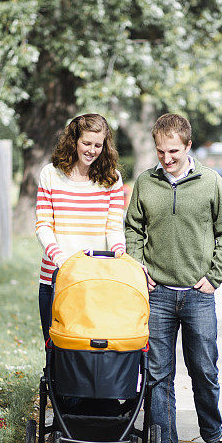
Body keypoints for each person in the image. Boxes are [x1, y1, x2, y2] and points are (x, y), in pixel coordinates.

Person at [124, 113, 222, 443]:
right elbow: (132, 229)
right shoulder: (145, 183)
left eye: (173, 151)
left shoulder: (211, 182)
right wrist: (140, 267)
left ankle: (214, 435)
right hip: (157, 296)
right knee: (158, 375)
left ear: (189, 146)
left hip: (198, 295)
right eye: (160, 151)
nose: (167, 158)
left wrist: (214, 275)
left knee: (203, 369)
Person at [35, 113, 126, 342]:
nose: (92, 150)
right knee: (56, 348)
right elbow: (43, 225)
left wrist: (119, 255)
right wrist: (62, 261)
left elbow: (114, 227)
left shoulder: (112, 179)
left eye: (98, 145)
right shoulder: (51, 174)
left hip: (96, 279)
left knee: (91, 349)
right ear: (74, 140)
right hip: (56, 278)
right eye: (86, 143)